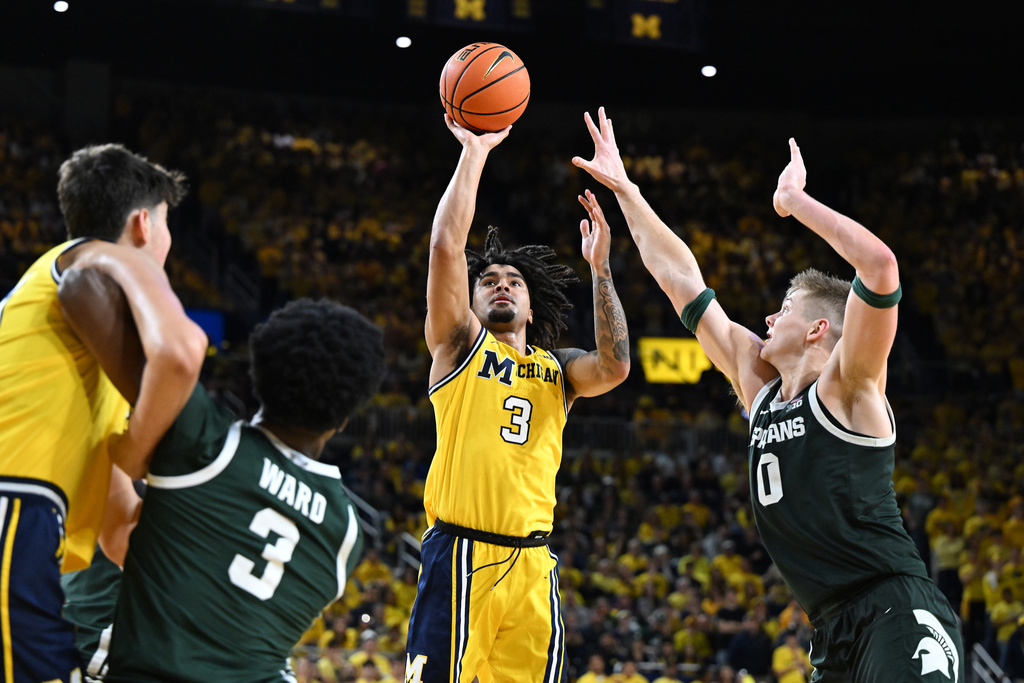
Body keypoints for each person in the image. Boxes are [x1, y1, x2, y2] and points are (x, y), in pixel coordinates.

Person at [574, 107, 964, 681]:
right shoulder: (758, 389)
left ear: (817, 331)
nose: (766, 316)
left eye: (783, 309)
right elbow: (682, 279)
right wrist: (628, 191)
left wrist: (795, 204)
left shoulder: (849, 388)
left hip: (895, 611)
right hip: (832, 629)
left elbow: (880, 268)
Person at [404, 115, 630, 683]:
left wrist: (601, 267)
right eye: (489, 281)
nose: (501, 283)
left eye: (514, 281)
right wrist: (475, 152)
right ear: (474, 303)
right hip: (461, 556)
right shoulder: (459, 346)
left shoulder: (558, 370)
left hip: (533, 565)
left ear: (532, 308)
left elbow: (616, 365)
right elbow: (444, 245)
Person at [0, 143, 207, 682]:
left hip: (30, 516)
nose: (167, 240)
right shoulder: (97, 256)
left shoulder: (86, 351)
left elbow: (119, 530)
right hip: (13, 502)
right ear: (142, 223)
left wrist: (216, 591)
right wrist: (142, 447)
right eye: (166, 224)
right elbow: (183, 352)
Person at [102, 298, 387, 682]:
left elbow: (87, 299)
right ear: (344, 420)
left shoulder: (206, 441)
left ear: (258, 378)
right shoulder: (347, 533)